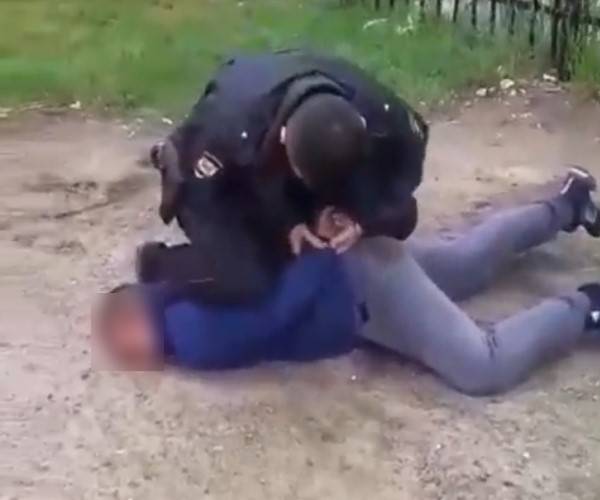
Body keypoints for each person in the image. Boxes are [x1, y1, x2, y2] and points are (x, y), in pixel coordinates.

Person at [95, 168, 600, 395]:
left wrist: (322, 252)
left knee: (481, 365)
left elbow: (275, 313)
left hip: (356, 288)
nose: (125, 357)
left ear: (136, 316)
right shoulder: (175, 285)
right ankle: (568, 204)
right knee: (466, 263)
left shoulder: (190, 335)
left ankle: (586, 307)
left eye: (121, 342)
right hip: (351, 264)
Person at [138, 50, 427, 303]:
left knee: (401, 217)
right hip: (219, 176)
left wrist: (360, 216)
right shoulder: (228, 123)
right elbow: (207, 199)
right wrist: (286, 224)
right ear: (284, 137)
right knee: (251, 280)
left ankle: (315, 207)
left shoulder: (378, 108)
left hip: (293, 163)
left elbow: (408, 162)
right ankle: (160, 266)